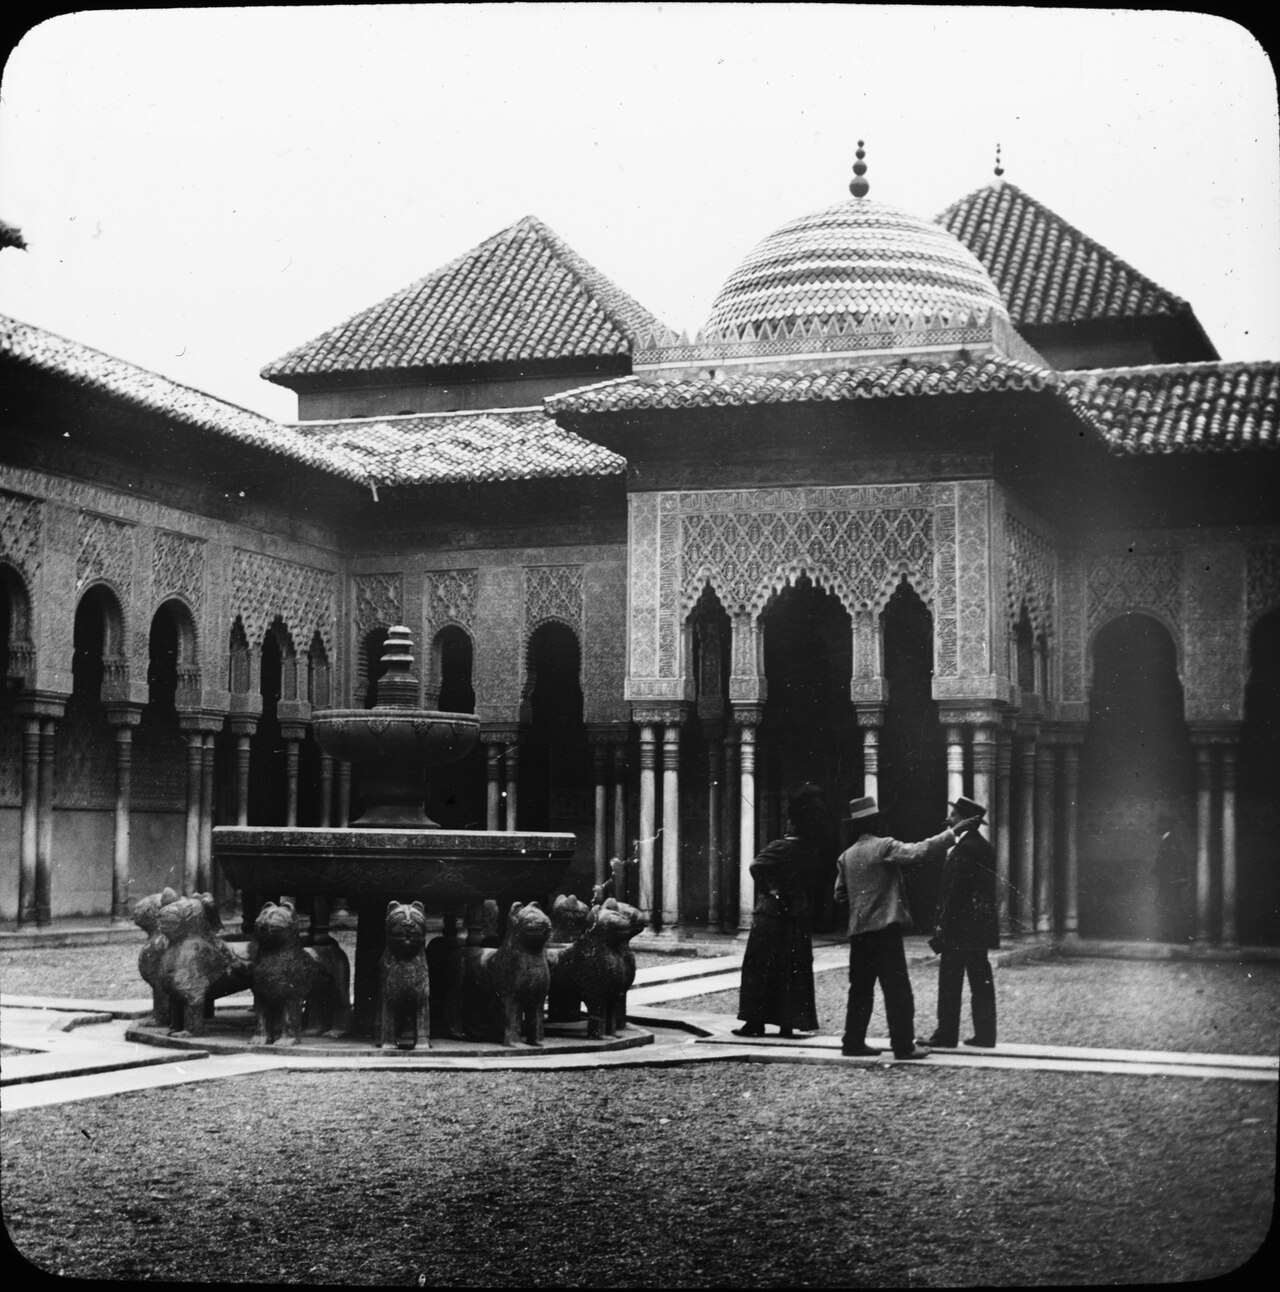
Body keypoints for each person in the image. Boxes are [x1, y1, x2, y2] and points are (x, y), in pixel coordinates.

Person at [833, 794, 979, 1060]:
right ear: (876, 821)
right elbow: (919, 851)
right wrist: (954, 831)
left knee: (860, 990)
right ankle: (903, 1045)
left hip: (859, 933)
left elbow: (839, 895)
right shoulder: (885, 846)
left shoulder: (846, 856)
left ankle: (852, 1041)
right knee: (898, 990)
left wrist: (862, 897)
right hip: (885, 932)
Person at [734, 784, 827, 1039]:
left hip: (773, 914)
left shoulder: (781, 846)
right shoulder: (810, 851)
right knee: (791, 970)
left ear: (794, 823)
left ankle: (755, 1023)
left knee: (760, 967)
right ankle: (788, 1023)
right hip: (797, 915)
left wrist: (770, 890)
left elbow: (756, 866)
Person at [921, 795, 999, 1050]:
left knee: (950, 980)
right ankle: (986, 1035)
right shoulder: (983, 846)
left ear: (965, 820)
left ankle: (946, 1034)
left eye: (954, 815)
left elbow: (956, 891)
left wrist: (943, 922)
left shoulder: (965, 849)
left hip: (959, 926)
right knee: (981, 979)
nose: (949, 819)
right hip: (978, 925)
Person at [1153, 813, 1193, 942]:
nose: (1158, 827)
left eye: (1160, 824)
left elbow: (1175, 861)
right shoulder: (1169, 840)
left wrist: (1169, 877)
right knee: (1170, 907)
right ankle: (1172, 935)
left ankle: (1174, 936)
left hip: (1170, 882)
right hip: (1169, 881)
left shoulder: (1170, 841)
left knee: (1171, 908)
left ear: (1166, 826)